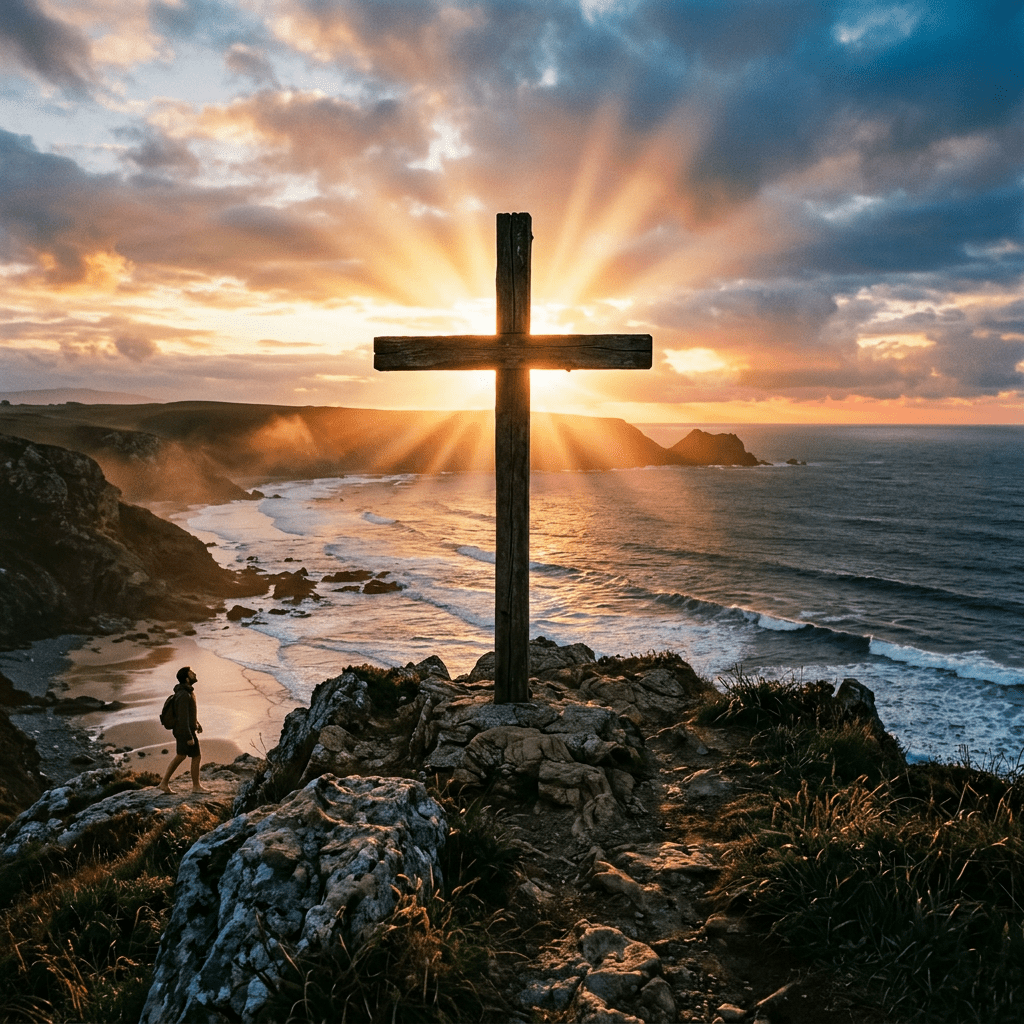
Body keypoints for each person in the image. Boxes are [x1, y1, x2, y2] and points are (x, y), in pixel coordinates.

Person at [158, 665, 208, 794]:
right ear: (187, 679)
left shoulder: (186, 692)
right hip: (184, 731)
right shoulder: (184, 695)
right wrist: (189, 736)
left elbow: (188, 713)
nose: (194, 674)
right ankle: (195, 787)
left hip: (185, 730)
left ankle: (164, 783)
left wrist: (197, 723)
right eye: (191, 673)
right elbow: (182, 717)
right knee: (193, 756)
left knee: (183, 756)